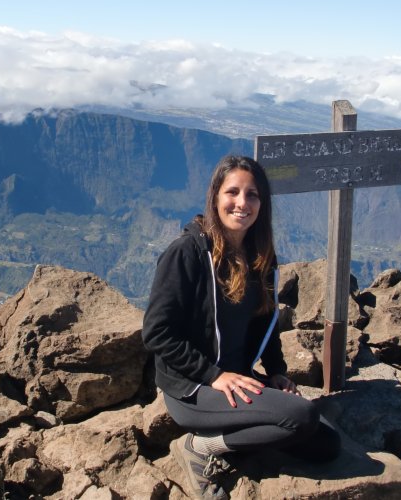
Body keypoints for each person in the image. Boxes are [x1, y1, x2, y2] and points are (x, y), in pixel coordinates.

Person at [142, 155, 340, 499]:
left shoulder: (260, 255)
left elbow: (266, 321)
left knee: (326, 444)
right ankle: (199, 447)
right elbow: (157, 332)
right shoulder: (187, 253)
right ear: (215, 196)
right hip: (194, 389)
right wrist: (213, 375)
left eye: (252, 195)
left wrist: (276, 372)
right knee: (301, 418)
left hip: (238, 378)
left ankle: (236, 441)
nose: (242, 203)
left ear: (263, 203)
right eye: (232, 192)